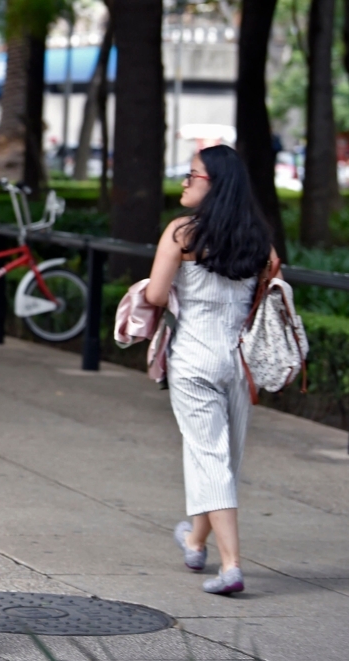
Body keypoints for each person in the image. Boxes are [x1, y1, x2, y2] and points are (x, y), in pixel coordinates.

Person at [145, 145, 277, 596]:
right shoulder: (259, 238)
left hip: (195, 359)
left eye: (192, 175)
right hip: (240, 363)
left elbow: (158, 296)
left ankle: (233, 565)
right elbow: (267, 286)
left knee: (210, 457)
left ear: (214, 184)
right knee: (223, 459)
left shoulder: (182, 233)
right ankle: (197, 542)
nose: (185, 181)